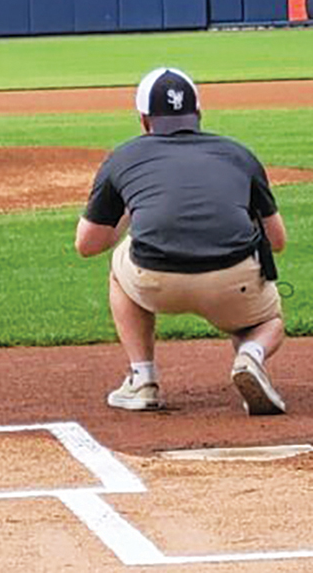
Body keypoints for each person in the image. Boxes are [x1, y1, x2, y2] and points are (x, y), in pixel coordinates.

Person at [75, 67, 287, 416]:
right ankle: (251, 354)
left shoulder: (123, 157)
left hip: (155, 280)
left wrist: (132, 207)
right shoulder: (239, 154)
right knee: (268, 322)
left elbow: (88, 245)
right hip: (233, 283)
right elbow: (277, 241)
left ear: (144, 120)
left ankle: (143, 380)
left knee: (121, 263)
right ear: (198, 113)